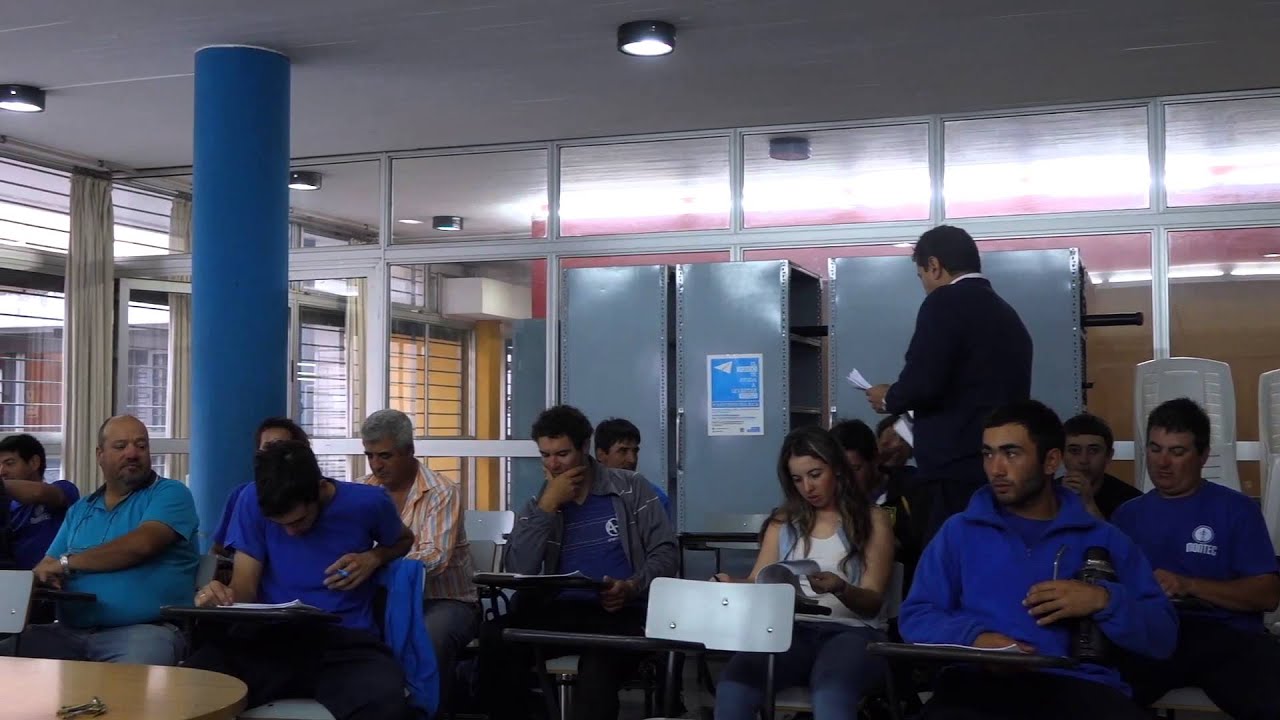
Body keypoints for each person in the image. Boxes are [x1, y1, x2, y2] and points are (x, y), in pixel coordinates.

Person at [900, 400, 1175, 719]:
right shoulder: (959, 532)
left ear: (1051, 461)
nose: (996, 469)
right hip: (975, 685)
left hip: (1077, 686)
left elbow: (1163, 636)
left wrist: (1103, 600)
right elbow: (916, 616)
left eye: (1011, 453)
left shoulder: (1104, 538)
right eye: (988, 454)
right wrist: (975, 639)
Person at [187, 441, 417, 720]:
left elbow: (404, 540)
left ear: (319, 489)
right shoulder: (250, 499)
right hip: (269, 638)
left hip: (345, 642)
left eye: (298, 520)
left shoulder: (368, 502)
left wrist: (374, 557)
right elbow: (245, 588)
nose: (291, 532)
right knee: (193, 684)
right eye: (280, 524)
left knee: (384, 699)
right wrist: (220, 596)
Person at [480, 405, 677, 720]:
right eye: (545, 455)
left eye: (562, 454)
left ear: (585, 448)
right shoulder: (542, 502)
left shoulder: (630, 488)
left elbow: (666, 553)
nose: (553, 464)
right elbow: (519, 569)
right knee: (496, 638)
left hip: (621, 611)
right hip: (563, 608)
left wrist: (632, 586)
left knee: (598, 666)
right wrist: (547, 506)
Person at [1111, 398, 1280, 720]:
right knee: (1095, 693)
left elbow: (1268, 594)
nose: (1162, 462)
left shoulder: (1236, 510)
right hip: (1151, 637)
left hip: (1224, 638)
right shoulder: (1127, 515)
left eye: (1177, 452)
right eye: (1155, 449)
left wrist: (1188, 585)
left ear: (1202, 456)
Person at [865, 225, 1033, 540]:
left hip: (952, 470)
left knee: (949, 557)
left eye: (922, 276)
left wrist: (889, 398)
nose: (925, 286)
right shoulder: (1007, 314)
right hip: (999, 465)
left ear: (934, 265)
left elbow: (922, 381)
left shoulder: (944, 302)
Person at [713, 426, 893, 719]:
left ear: (837, 469)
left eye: (815, 475)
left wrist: (841, 588)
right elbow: (758, 580)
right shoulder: (783, 522)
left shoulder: (873, 519)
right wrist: (731, 584)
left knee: (831, 694)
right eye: (797, 479)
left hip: (854, 633)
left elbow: (873, 600)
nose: (807, 487)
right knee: (733, 686)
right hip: (789, 631)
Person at [16, 415, 199, 665]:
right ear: (99, 455)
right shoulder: (81, 509)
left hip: (145, 631)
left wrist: (67, 563)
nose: (132, 453)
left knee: (131, 678)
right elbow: (47, 564)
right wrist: (44, 576)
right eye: (121, 446)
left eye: (141, 445)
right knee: (9, 653)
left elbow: (141, 545)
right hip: (68, 632)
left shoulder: (170, 493)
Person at [357, 408, 477, 711]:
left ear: (409, 450)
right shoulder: (361, 491)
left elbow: (434, 558)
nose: (376, 465)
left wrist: (375, 561)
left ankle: (427, 713)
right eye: (370, 455)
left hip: (444, 601)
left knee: (427, 637)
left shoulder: (442, 491)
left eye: (385, 456)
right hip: (381, 598)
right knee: (349, 633)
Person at [832, 418, 924, 594]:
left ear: (875, 459)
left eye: (855, 469)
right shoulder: (828, 498)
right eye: (838, 473)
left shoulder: (911, 490)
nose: (846, 480)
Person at [209, 417, 310, 557]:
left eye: (281, 446)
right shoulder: (243, 495)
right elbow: (218, 550)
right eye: (267, 447)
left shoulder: (315, 494)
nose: (274, 453)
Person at [0, 434, 79, 570]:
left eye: (9, 463)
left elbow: (39, 492)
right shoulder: (6, 508)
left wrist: (1, 486)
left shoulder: (63, 488)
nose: (2, 471)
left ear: (34, 463)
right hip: (15, 580)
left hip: (56, 578)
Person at [1062, 413, 1140, 520]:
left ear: (1108, 455)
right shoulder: (1047, 495)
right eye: (1074, 450)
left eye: (1093, 451)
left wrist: (1088, 503)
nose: (1084, 460)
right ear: (1061, 455)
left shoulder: (1130, 501)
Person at [594, 417, 671, 515]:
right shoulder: (584, 495)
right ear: (601, 454)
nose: (632, 460)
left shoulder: (654, 498)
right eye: (623, 451)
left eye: (635, 451)